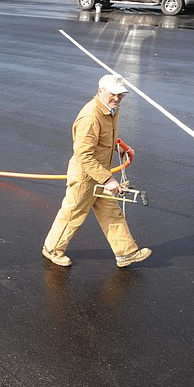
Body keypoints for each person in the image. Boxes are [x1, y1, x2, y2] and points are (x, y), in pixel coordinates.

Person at [42, 74, 152, 268]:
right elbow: (83, 155)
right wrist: (108, 179)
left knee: (111, 212)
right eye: (113, 94)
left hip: (100, 173)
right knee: (73, 214)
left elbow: (101, 138)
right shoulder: (91, 116)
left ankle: (126, 253)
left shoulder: (110, 109)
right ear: (100, 90)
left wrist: (118, 147)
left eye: (121, 95)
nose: (117, 99)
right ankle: (52, 249)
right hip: (86, 177)